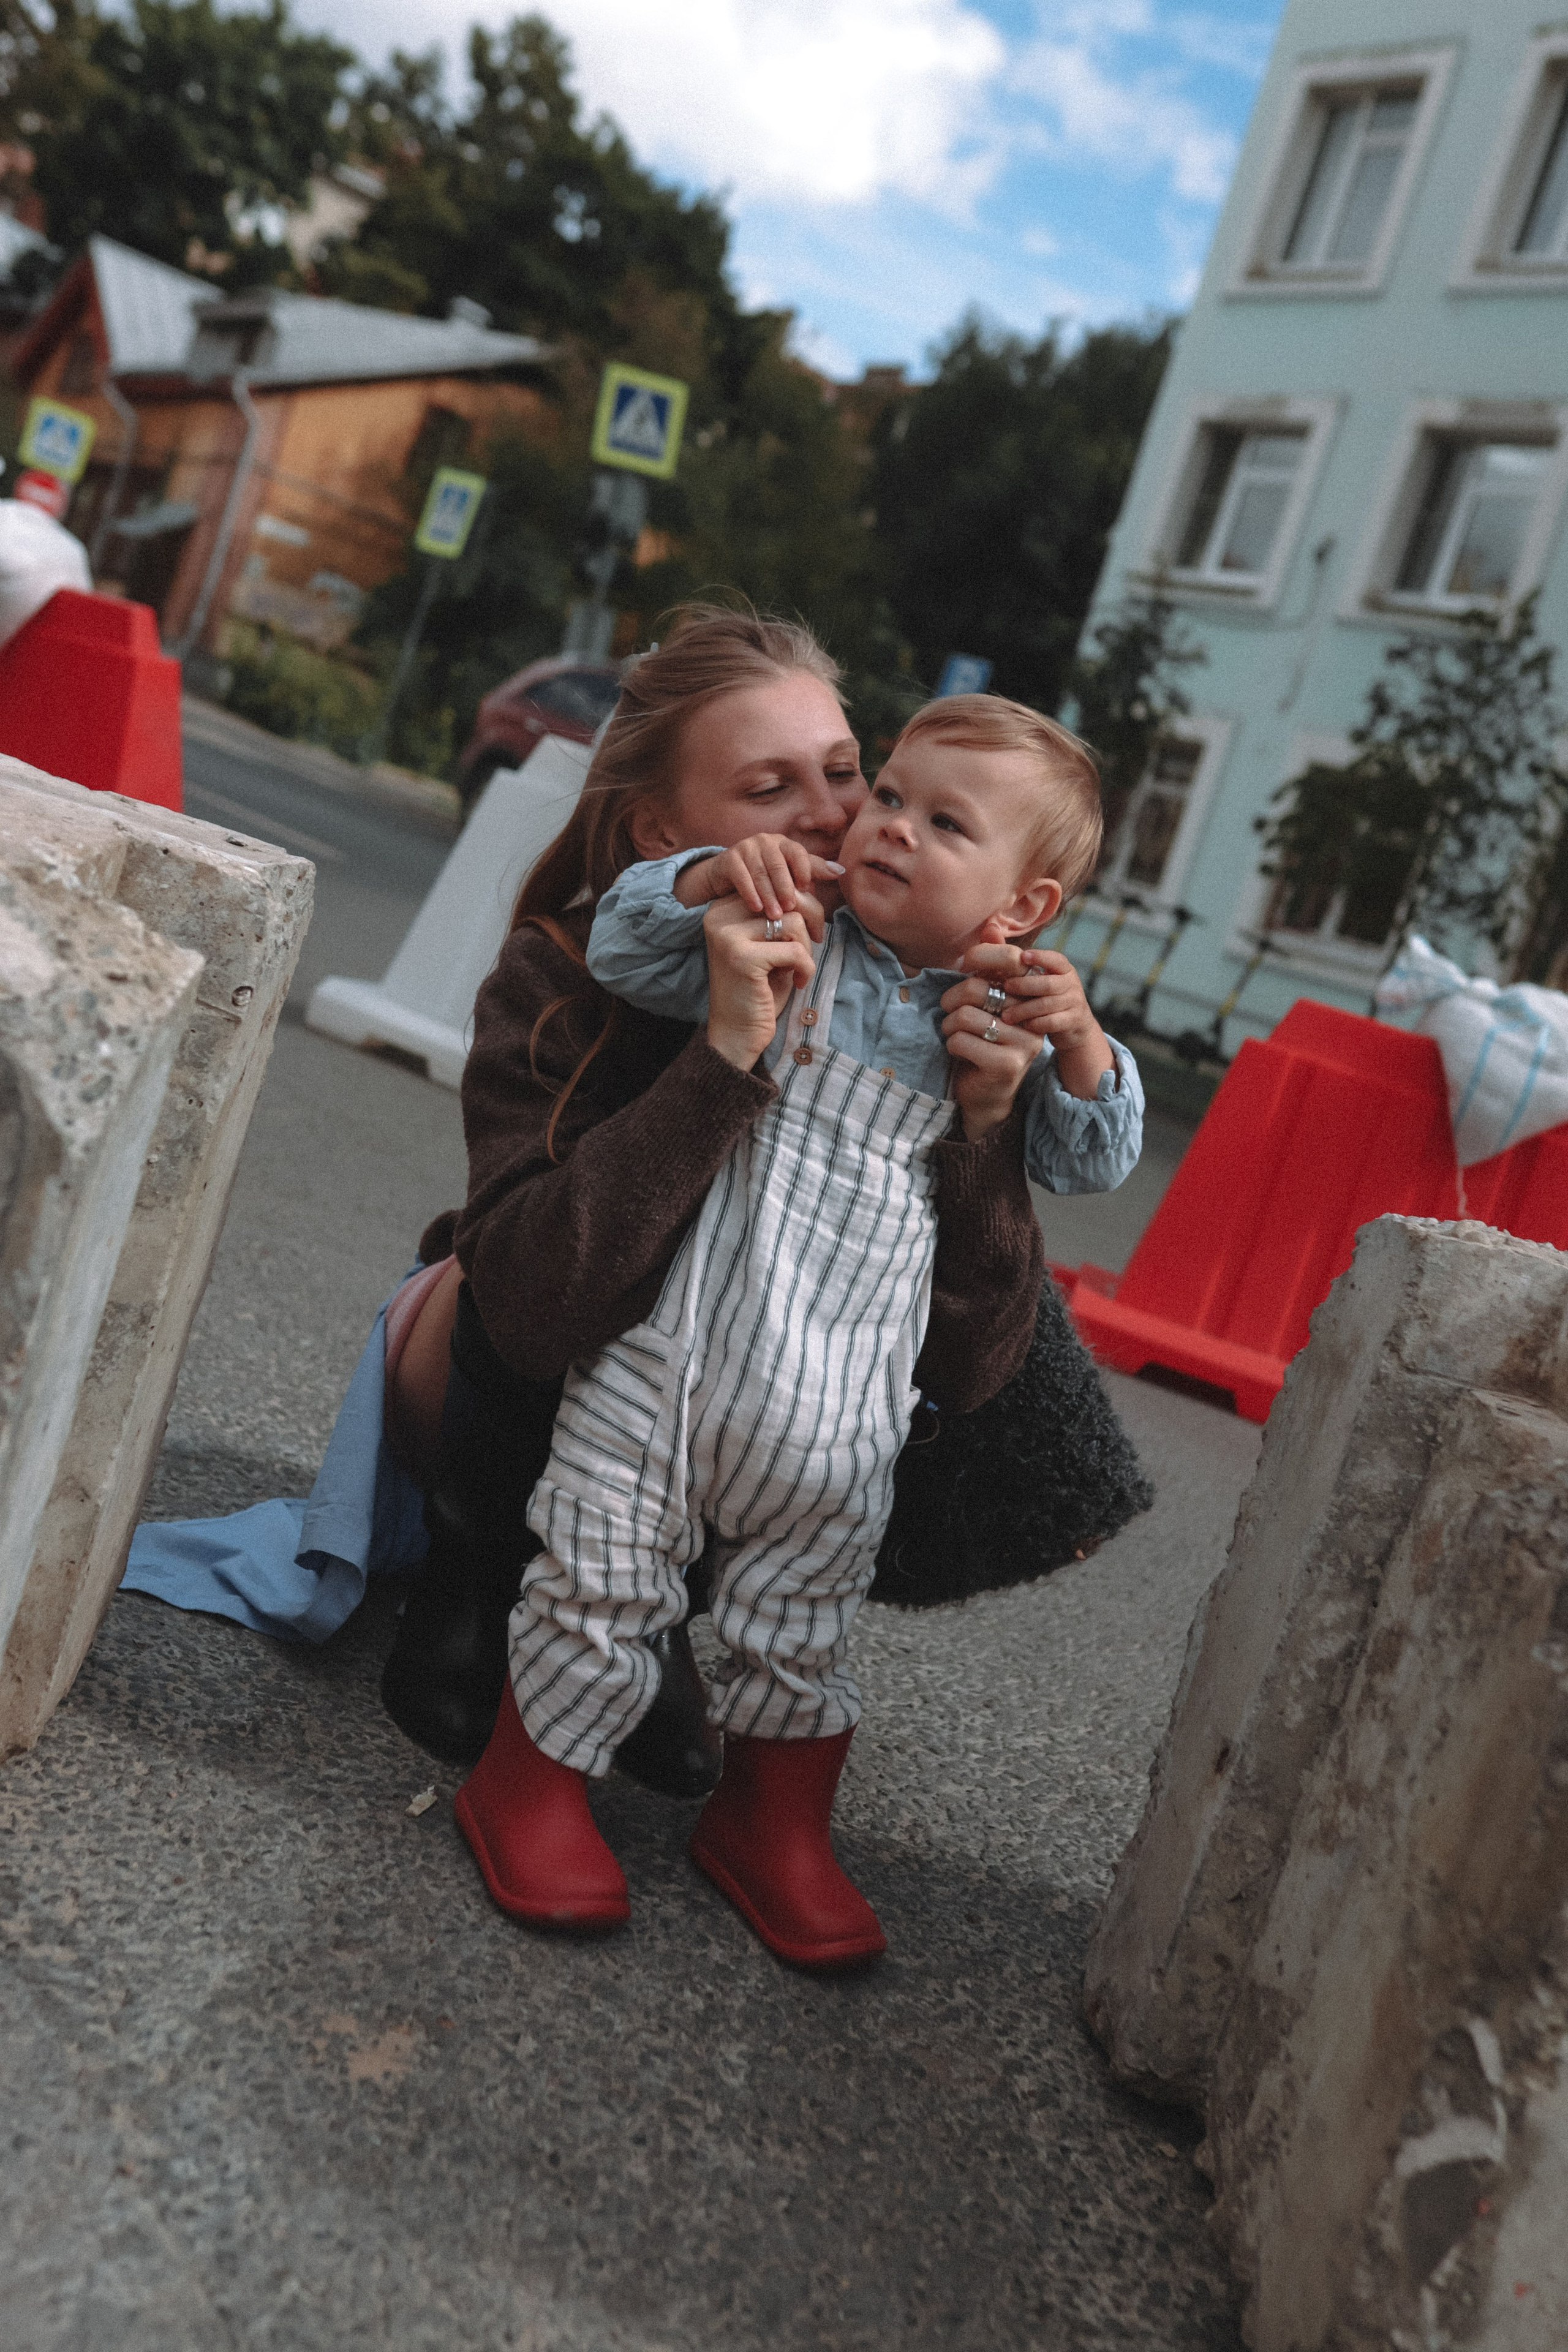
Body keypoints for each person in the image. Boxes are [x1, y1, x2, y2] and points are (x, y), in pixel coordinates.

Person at [453, 688, 1142, 1966]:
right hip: (668, 1355)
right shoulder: (789, 929)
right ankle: (530, 1777)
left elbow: (1093, 1158)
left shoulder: (993, 1022)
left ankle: (769, 1824)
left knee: (802, 1609)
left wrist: (1075, 1046)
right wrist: (718, 873)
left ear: (1025, 907)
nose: (879, 827)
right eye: (886, 794)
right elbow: (622, 945)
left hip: (839, 1396)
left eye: (942, 822)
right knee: (599, 1560)